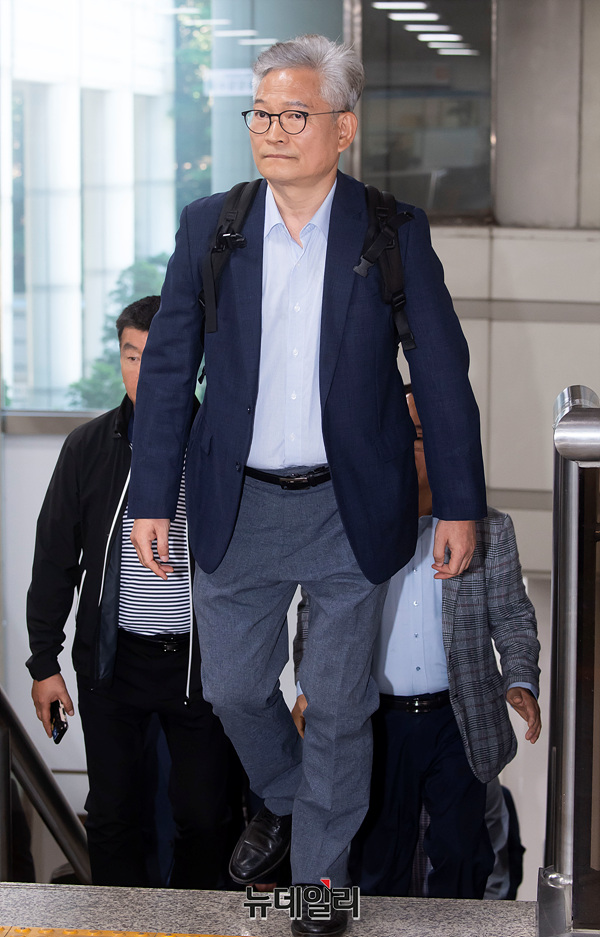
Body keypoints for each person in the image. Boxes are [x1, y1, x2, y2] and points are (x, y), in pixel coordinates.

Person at [128, 35, 487, 936]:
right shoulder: (211, 226)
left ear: (343, 128)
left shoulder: (392, 231)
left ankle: (320, 889)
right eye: (262, 113)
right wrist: (150, 495)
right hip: (238, 502)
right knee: (232, 689)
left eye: (296, 114)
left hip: (347, 505)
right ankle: (288, 798)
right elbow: (167, 370)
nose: (274, 130)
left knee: (338, 706)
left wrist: (458, 502)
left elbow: (441, 374)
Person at [293, 388, 541, 900]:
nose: (407, 448)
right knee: (378, 857)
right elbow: (315, 616)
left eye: (422, 437)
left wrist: (520, 678)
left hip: (459, 716)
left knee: (462, 855)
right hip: (376, 718)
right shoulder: (348, 527)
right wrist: (309, 687)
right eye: (398, 435)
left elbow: (514, 616)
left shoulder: (490, 530)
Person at [26, 296, 233, 889]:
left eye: (157, 356)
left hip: (198, 664)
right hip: (113, 662)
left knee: (205, 817)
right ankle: (119, 926)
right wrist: (44, 663)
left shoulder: (220, 448)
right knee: (114, 816)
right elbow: (54, 558)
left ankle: (193, 926)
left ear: (190, 362)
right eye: (130, 356)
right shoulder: (89, 447)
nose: (141, 371)